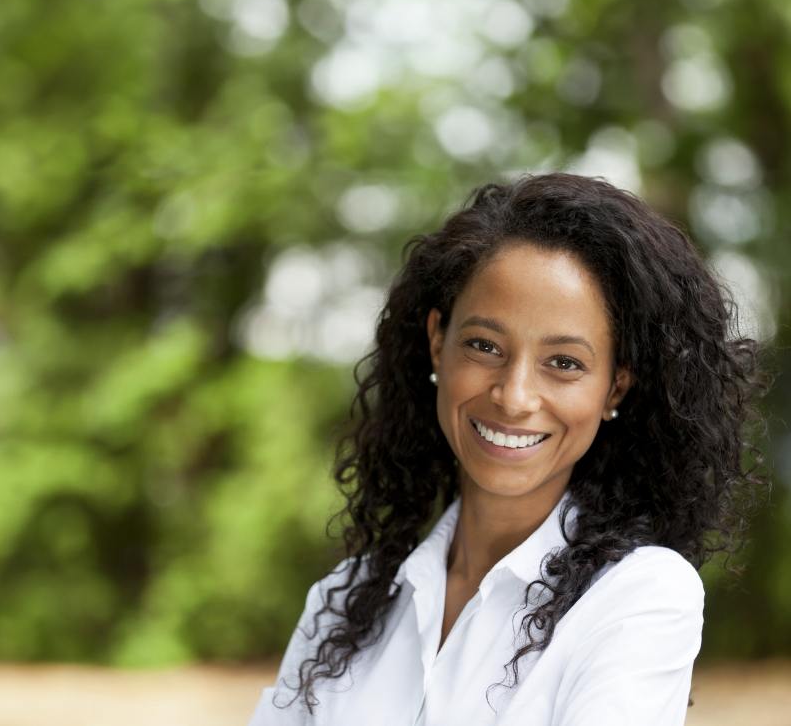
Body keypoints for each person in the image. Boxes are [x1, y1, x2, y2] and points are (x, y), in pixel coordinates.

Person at [249, 173, 768, 725]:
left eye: (564, 363)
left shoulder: (638, 598)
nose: (514, 396)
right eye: (484, 346)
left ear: (614, 386)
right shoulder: (344, 603)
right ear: (437, 344)